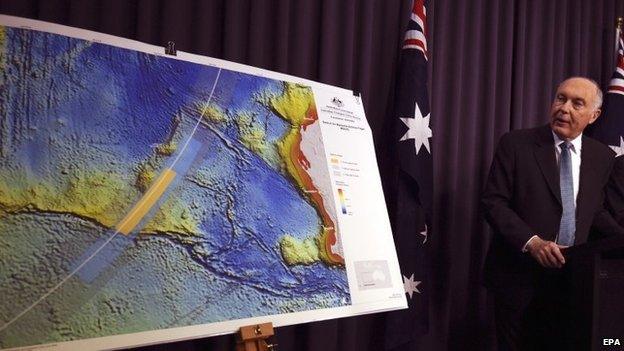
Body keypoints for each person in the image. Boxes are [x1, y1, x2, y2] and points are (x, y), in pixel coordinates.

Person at [481, 77, 624, 350]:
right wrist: (533, 242)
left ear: (594, 115)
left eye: (577, 103)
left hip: (574, 281)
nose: (564, 108)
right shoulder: (516, 144)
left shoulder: (603, 157)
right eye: (561, 98)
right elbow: (493, 203)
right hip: (517, 278)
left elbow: (596, 213)